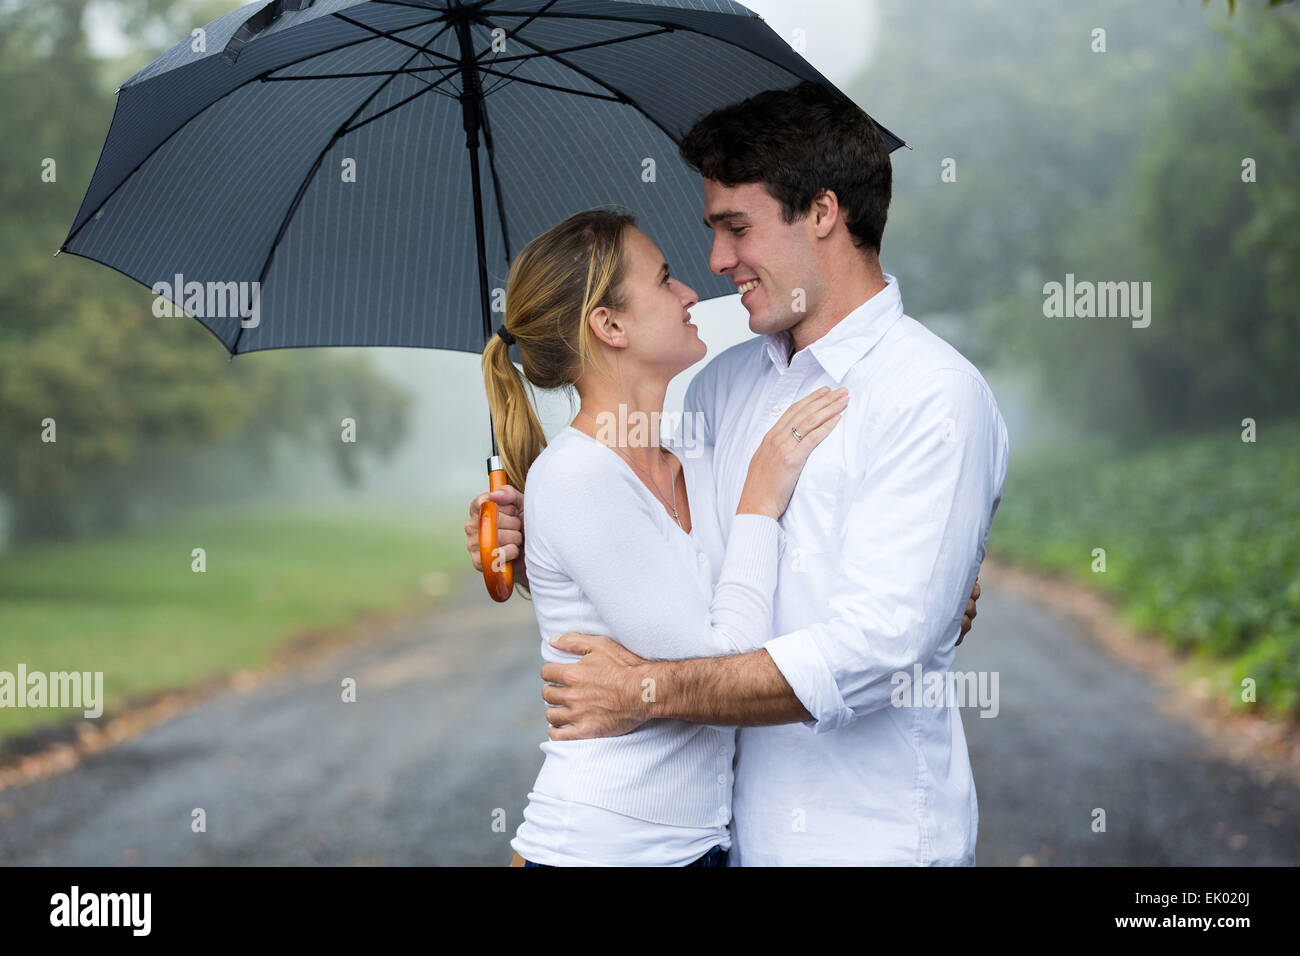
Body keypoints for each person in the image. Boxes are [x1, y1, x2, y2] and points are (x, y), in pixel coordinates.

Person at [468, 82, 1007, 866]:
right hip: (730, 841)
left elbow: (880, 651)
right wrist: (530, 525)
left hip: (867, 839)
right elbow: (662, 538)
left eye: (736, 228)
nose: (716, 263)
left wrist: (643, 690)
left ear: (822, 213)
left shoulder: (932, 394)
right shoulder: (724, 388)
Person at [479, 207, 849, 866]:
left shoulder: (691, 458)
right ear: (609, 324)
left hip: (697, 846)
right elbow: (721, 660)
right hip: (608, 852)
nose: (689, 294)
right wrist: (760, 498)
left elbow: (776, 577)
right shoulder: (576, 477)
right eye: (666, 279)